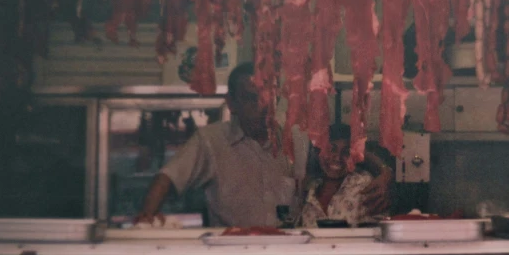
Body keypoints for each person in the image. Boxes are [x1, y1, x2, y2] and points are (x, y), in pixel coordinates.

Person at [135, 62, 393, 227]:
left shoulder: (295, 136)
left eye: (266, 98)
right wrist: (146, 219)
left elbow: (341, 151)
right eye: (250, 99)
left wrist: (384, 173)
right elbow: (167, 178)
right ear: (232, 103)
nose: (261, 107)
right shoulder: (210, 142)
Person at [299, 123, 389, 228]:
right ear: (318, 152)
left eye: (346, 152)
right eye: (331, 149)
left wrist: (386, 172)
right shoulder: (308, 190)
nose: (337, 158)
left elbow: (382, 228)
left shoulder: (364, 184)